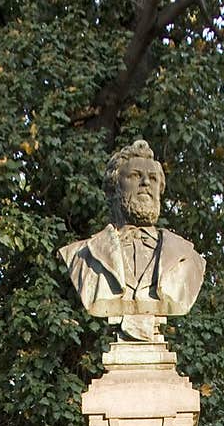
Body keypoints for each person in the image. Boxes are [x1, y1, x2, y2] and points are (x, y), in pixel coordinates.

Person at [58, 139, 205, 342]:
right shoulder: (82, 255)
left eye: (152, 178)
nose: (145, 183)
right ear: (114, 187)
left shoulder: (189, 258)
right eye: (135, 176)